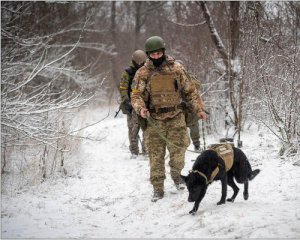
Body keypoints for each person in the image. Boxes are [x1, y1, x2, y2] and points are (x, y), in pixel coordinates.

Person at [131, 36, 207, 202]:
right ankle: (158, 188)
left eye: (159, 53)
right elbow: (136, 96)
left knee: (179, 150)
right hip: (154, 120)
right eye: (153, 54)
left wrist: (199, 109)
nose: (156, 57)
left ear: (163, 51)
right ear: (148, 54)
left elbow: (190, 92)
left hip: (176, 117)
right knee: (155, 156)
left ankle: (176, 175)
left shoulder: (176, 69)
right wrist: (141, 109)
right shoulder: (143, 73)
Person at [119, 50, 147, 159]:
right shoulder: (128, 72)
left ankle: (146, 151)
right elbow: (123, 88)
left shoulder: (147, 71)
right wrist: (126, 101)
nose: (140, 63)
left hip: (145, 105)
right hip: (131, 106)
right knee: (133, 130)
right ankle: (135, 152)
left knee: (146, 129)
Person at [176, 60, 202, 151]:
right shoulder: (171, 78)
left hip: (191, 105)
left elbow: (197, 86)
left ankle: (197, 145)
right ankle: (181, 146)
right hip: (179, 107)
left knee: (194, 125)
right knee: (179, 128)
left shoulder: (189, 76)